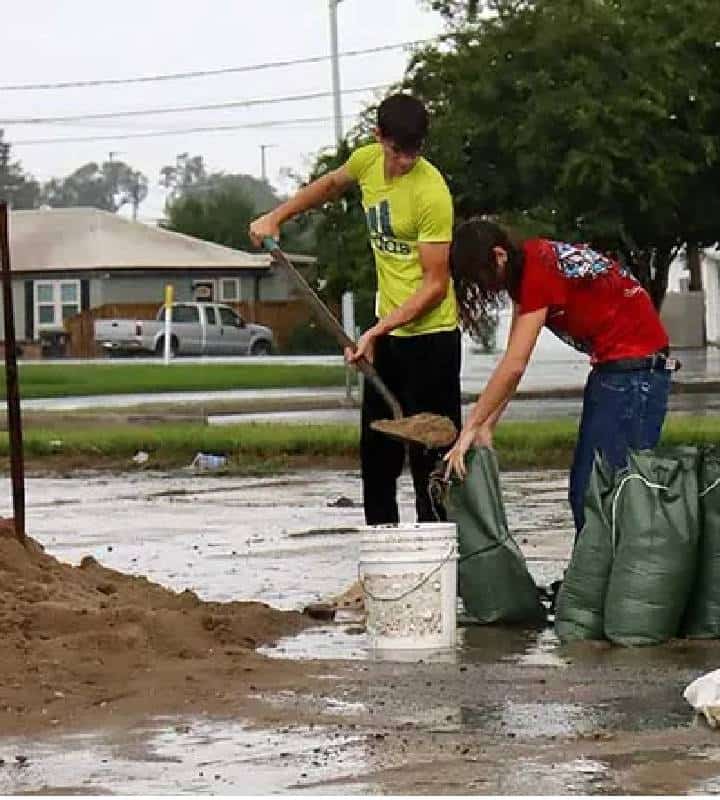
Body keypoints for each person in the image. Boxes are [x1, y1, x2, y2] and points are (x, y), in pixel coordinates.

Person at [249, 94, 460, 524]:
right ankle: (384, 564)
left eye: (414, 150)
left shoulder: (431, 192)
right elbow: (329, 185)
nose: (405, 161)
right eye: (398, 151)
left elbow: (435, 286)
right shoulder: (367, 163)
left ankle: (438, 565)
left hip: (431, 340)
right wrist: (276, 217)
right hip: (387, 337)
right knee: (377, 457)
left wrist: (377, 331)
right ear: (379, 137)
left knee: (431, 463)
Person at [442, 219, 677, 533]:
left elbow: (515, 364)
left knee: (606, 494)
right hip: (615, 368)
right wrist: (487, 426)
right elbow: (514, 355)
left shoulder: (538, 271)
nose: (485, 289)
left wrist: (469, 428)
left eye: (482, 278)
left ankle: (610, 579)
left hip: (636, 372)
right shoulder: (528, 266)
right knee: (587, 490)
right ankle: (592, 578)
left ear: (499, 256)